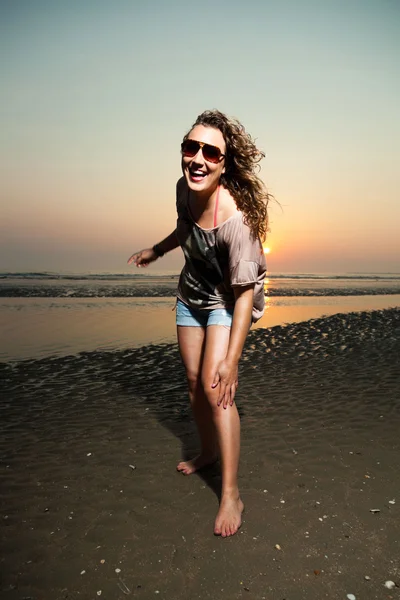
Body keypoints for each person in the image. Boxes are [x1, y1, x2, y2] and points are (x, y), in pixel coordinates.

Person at [128, 109, 271, 538]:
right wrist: (157, 249)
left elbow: (245, 295)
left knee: (217, 388)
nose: (198, 159)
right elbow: (183, 228)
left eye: (211, 152)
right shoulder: (183, 189)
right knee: (193, 382)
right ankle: (207, 451)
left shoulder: (236, 221)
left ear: (224, 163)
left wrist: (233, 358)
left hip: (228, 302)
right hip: (191, 294)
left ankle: (231, 495)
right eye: (191, 147)